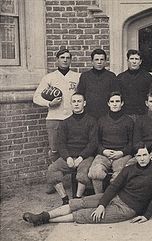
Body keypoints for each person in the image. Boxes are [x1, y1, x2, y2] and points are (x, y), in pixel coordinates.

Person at [22, 145, 152, 226]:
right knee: (80, 202)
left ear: (151, 155)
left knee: (88, 215)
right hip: (116, 197)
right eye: (139, 156)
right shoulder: (129, 169)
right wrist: (102, 204)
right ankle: (42, 216)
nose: (142, 158)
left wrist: (147, 215)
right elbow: (114, 187)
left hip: (127, 209)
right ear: (135, 157)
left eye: (145, 155)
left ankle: (46, 221)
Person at [33, 49, 80, 194]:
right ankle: (54, 180)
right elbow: (36, 97)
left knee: (74, 148)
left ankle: (77, 180)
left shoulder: (77, 76)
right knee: (54, 150)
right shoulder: (49, 77)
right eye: (62, 57)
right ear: (57, 60)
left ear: (71, 60)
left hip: (73, 120)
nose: (65, 60)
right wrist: (49, 103)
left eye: (67, 58)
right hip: (54, 118)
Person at [46, 93, 97, 205]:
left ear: (84, 103)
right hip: (68, 156)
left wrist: (81, 157)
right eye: (74, 101)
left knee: (82, 173)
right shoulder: (65, 123)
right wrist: (67, 157)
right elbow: (61, 143)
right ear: (71, 104)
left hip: (85, 156)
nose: (76, 104)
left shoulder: (91, 121)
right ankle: (65, 199)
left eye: (79, 101)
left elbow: (93, 143)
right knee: (52, 169)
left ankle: (77, 199)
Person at [88, 91, 134, 194]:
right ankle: (99, 198)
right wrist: (103, 151)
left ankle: (114, 199)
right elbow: (96, 141)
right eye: (112, 101)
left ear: (122, 103)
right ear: (108, 103)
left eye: (117, 101)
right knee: (95, 172)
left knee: (120, 176)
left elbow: (132, 143)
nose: (114, 104)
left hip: (122, 155)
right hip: (104, 154)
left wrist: (121, 153)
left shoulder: (128, 121)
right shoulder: (101, 120)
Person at [77, 48, 118, 120]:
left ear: (105, 61)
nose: (99, 62)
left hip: (107, 116)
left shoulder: (111, 76)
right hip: (89, 115)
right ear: (92, 61)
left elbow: (115, 96)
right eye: (96, 60)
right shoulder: (85, 76)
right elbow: (80, 95)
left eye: (102, 60)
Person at [116, 49, 152, 122]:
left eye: (136, 59)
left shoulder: (147, 77)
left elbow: (150, 96)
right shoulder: (121, 77)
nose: (134, 61)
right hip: (125, 114)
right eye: (132, 59)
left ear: (140, 61)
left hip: (142, 114)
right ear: (127, 61)